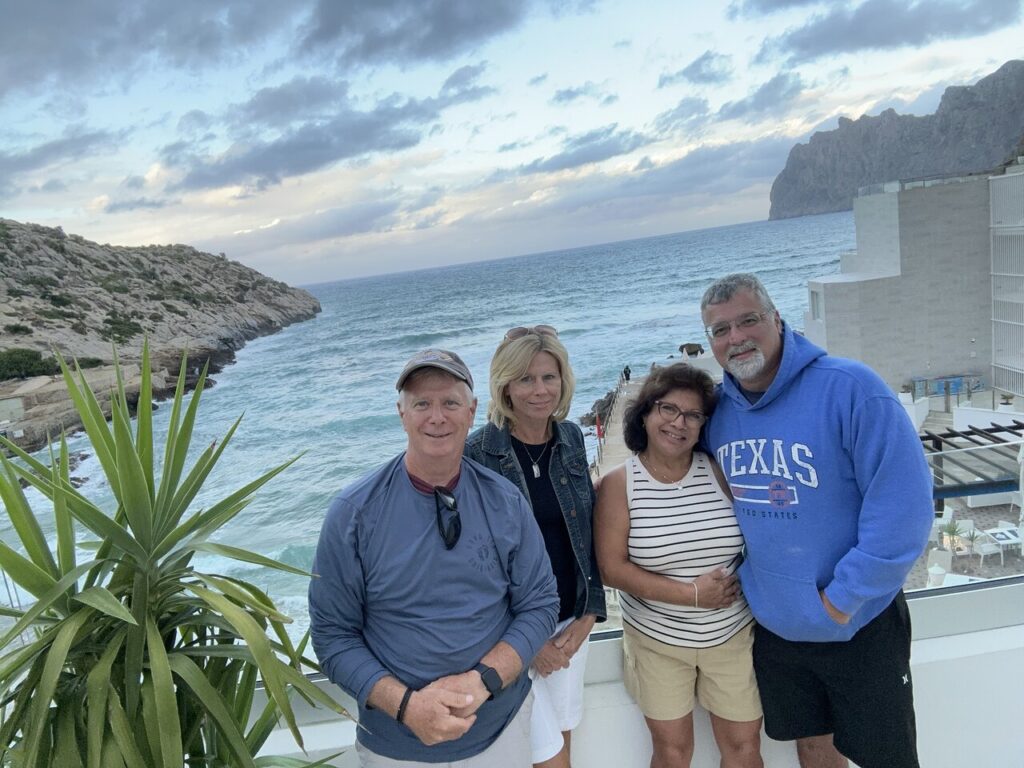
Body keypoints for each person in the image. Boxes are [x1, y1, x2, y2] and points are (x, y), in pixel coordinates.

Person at [699, 273, 933, 768]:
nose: (736, 337)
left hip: (859, 621)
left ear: (776, 319)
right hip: (777, 628)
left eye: (748, 320)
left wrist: (841, 600)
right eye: (720, 330)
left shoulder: (852, 389)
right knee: (812, 748)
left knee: (887, 757)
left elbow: (903, 511)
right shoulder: (717, 415)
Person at [309, 348, 559, 767]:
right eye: (422, 403)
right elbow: (333, 636)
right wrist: (408, 707)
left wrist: (481, 682)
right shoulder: (354, 514)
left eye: (450, 403)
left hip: (500, 731)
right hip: (395, 748)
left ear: (472, 411)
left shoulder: (505, 501)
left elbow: (540, 604)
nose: (437, 417)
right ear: (401, 413)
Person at [594, 362, 763, 768]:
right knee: (673, 753)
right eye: (668, 409)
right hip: (657, 642)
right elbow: (611, 569)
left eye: (692, 414)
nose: (678, 423)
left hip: (731, 635)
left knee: (744, 749)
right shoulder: (619, 484)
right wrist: (691, 595)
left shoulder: (720, 471)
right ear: (646, 414)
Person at [465, 325, 606, 768]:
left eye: (549, 377)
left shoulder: (571, 439)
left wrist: (589, 615)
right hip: (511, 632)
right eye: (525, 379)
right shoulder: (477, 454)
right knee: (543, 754)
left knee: (562, 735)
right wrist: (526, 643)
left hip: (570, 625)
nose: (540, 390)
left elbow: (585, 535)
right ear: (505, 385)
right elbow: (472, 562)